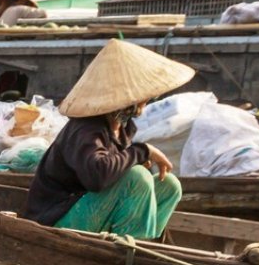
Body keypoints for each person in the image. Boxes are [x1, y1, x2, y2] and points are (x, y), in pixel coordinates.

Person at [25, 39, 193, 239]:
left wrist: (135, 158)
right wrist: (142, 151)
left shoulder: (124, 128)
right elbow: (97, 176)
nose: (147, 100)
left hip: (90, 208)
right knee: (137, 177)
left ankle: (142, 243)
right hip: (57, 219)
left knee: (169, 185)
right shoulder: (85, 129)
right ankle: (127, 250)